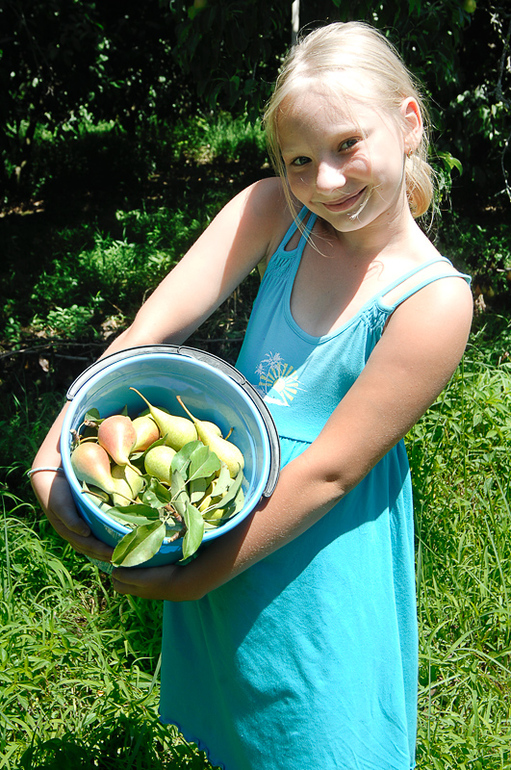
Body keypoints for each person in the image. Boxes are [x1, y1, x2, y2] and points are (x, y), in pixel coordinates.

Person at [31, 21, 473, 770]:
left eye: (346, 146)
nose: (324, 181)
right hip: (218, 509)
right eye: (299, 159)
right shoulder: (275, 212)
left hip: (314, 553)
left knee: (321, 736)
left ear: (407, 122)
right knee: (246, 729)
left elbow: (332, 473)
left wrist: (190, 576)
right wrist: (57, 448)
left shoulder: (432, 302)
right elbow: (152, 326)